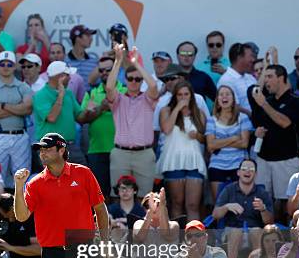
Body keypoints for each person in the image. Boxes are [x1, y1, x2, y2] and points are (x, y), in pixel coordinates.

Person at [248, 65, 299, 222]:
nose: (266, 81)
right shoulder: (267, 100)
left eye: (270, 77)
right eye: (264, 77)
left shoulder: (295, 100)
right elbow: (258, 125)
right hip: (264, 160)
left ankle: (287, 239)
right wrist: (256, 132)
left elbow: (285, 122)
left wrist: (264, 104)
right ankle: (269, 237)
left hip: (286, 160)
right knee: (264, 202)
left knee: (285, 204)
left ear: (281, 78)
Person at [106, 45, 159, 198]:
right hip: (121, 153)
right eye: (130, 78)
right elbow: (110, 87)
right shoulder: (119, 99)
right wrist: (118, 61)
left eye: (138, 79)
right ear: (125, 80)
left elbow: (153, 85)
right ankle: (118, 223)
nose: (134, 82)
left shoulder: (147, 98)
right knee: (117, 195)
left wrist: (136, 64)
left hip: (144, 153)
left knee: (145, 198)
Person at [212, 158, 274, 258]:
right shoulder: (229, 190)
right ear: (238, 172)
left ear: (255, 173)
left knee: (256, 231)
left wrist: (263, 209)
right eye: (244, 169)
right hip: (231, 232)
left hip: (254, 232)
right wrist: (227, 206)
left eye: (251, 169)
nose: (247, 171)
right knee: (236, 232)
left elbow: (269, 222)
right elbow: (215, 215)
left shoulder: (262, 193)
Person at [157, 81, 207, 220]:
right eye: (179, 95)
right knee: (177, 203)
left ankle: (195, 238)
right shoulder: (166, 110)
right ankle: (176, 238)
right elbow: (166, 129)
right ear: (175, 96)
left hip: (194, 160)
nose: (183, 97)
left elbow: (205, 139)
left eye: (186, 94)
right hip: (173, 161)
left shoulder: (199, 113)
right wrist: (177, 109)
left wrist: (197, 135)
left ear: (192, 95)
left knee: (193, 205)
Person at [0, 51, 33, 188]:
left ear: (14, 66)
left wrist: (3, 106)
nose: (5, 66)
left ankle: (22, 209)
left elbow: (28, 109)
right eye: (2, 64)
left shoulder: (23, 87)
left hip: (20, 136)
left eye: (9, 64)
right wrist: (18, 109)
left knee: (22, 180)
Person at [33, 61, 92, 168]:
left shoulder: (68, 93)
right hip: (50, 148)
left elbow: (80, 117)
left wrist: (88, 110)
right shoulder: (40, 95)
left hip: (70, 146)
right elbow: (52, 117)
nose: (70, 78)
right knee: (55, 183)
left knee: (83, 178)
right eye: (67, 75)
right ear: (60, 77)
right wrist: (60, 95)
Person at [81, 56, 125, 198]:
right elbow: (83, 119)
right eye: (101, 70)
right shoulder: (91, 93)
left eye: (109, 69)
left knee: (121, 193)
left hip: (121, 149)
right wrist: (102, 108)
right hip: (97, 150)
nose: (105, 72)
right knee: (100, 195)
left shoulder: (125, 91)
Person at [205, 85, 252, 201]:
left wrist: (219, 142)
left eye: (227, 94)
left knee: (239, 201)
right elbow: (210, 145)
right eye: (221, 94)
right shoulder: (211, 119)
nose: (224, 97)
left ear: (233, 98)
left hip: (238, 165)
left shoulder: (243, 118)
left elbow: (244, 143)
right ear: (217, 99)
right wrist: (233, 138)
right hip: (217, 166)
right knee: (219, 202)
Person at [218, 43, 257, 117]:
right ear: (239, 57)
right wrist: (252, 115)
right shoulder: (226, 80)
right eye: (251, 56)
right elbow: (232, 106)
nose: (253, 60)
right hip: (241, 127)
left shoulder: (250, 77)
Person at [66, 25, 98, 92]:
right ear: (78, 38)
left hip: (90, 101)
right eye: (88, 36)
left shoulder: (94, 62)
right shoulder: (64, 62)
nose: (91, 39)